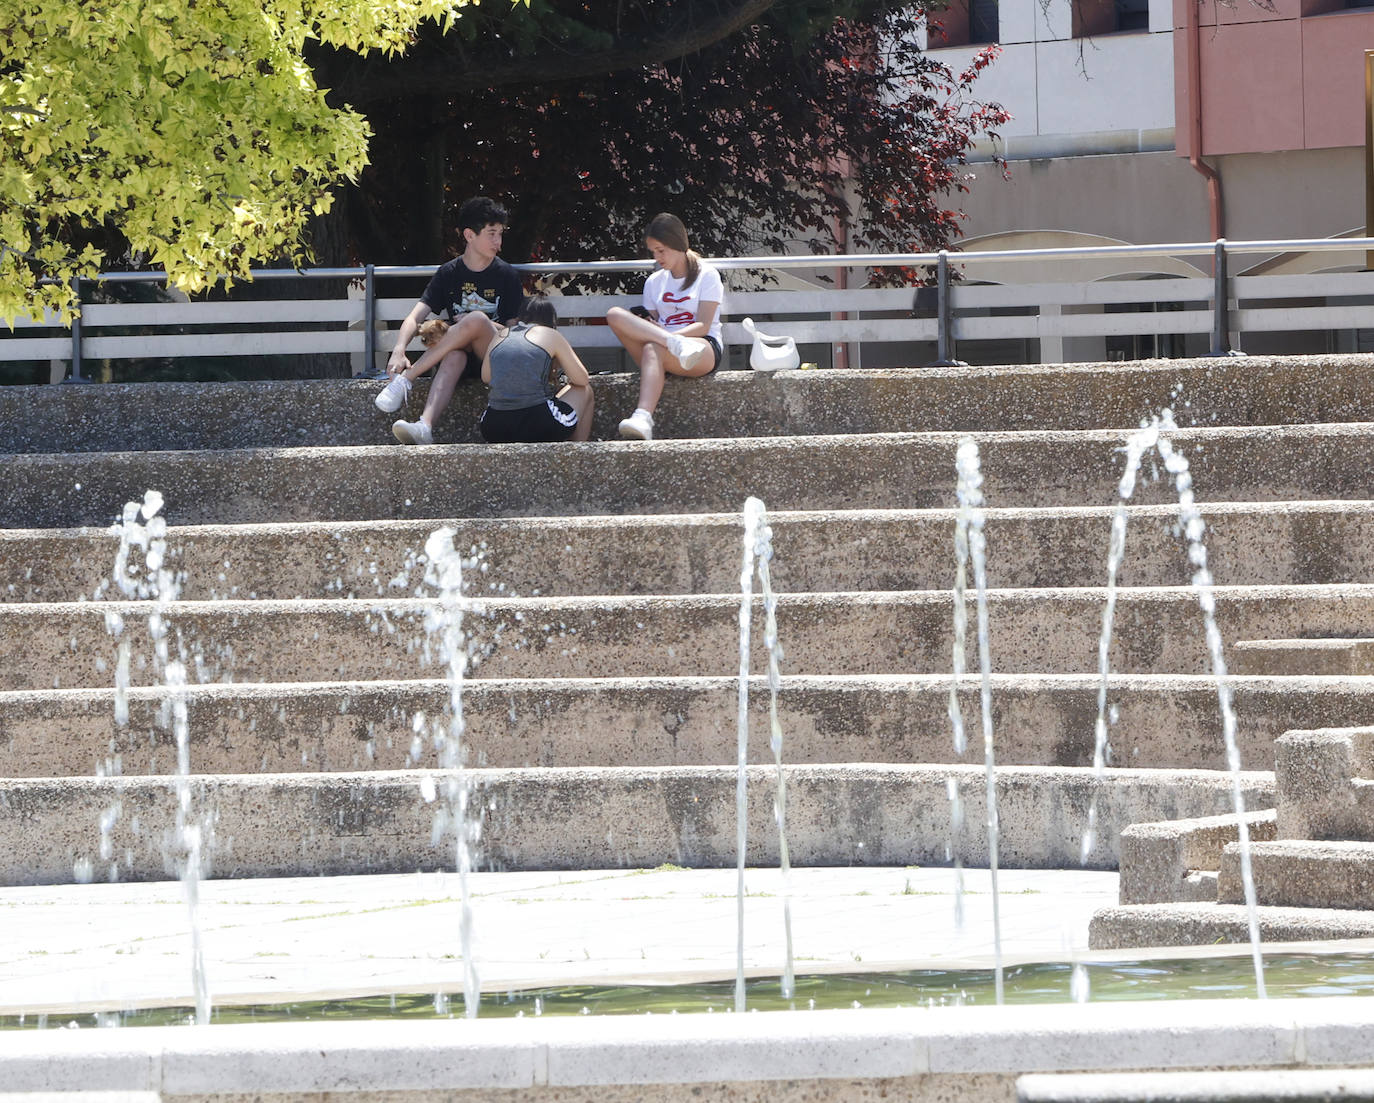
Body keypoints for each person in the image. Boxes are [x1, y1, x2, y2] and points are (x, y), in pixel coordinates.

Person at [374, 196, 525, 445]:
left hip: (495, 359)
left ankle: (405, 381)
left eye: (500, 234)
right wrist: (399, 349)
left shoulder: (506, 275)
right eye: (491, 234)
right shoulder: (448, 273)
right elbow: (415, 316)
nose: (498, 241)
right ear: (469, 235)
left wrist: (475, 324)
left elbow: (515, 333)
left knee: (475, 319)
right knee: (454, 355)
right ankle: (425, 426)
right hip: (459, 358)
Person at [605, 213, 722, 440]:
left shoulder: (707, 275)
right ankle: (670, 343)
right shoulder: (654, 281)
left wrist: (669, 336)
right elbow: (655, 325)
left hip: (701, 347)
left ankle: (643, 417)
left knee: (653, 347)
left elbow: (703, 325)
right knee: (614, 315)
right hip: (665, 346)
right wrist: (660, 333)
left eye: (661, 250)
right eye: (653, 252)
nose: (657, 257)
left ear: (678, 244)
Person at [477, 296, 594, 443]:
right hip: (539, 423)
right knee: (584, 389)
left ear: (520, 316)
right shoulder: (551, 334)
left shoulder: (500, 335)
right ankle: (578, 453)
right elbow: (582, 379)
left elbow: (486, 377)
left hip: (493, 426)